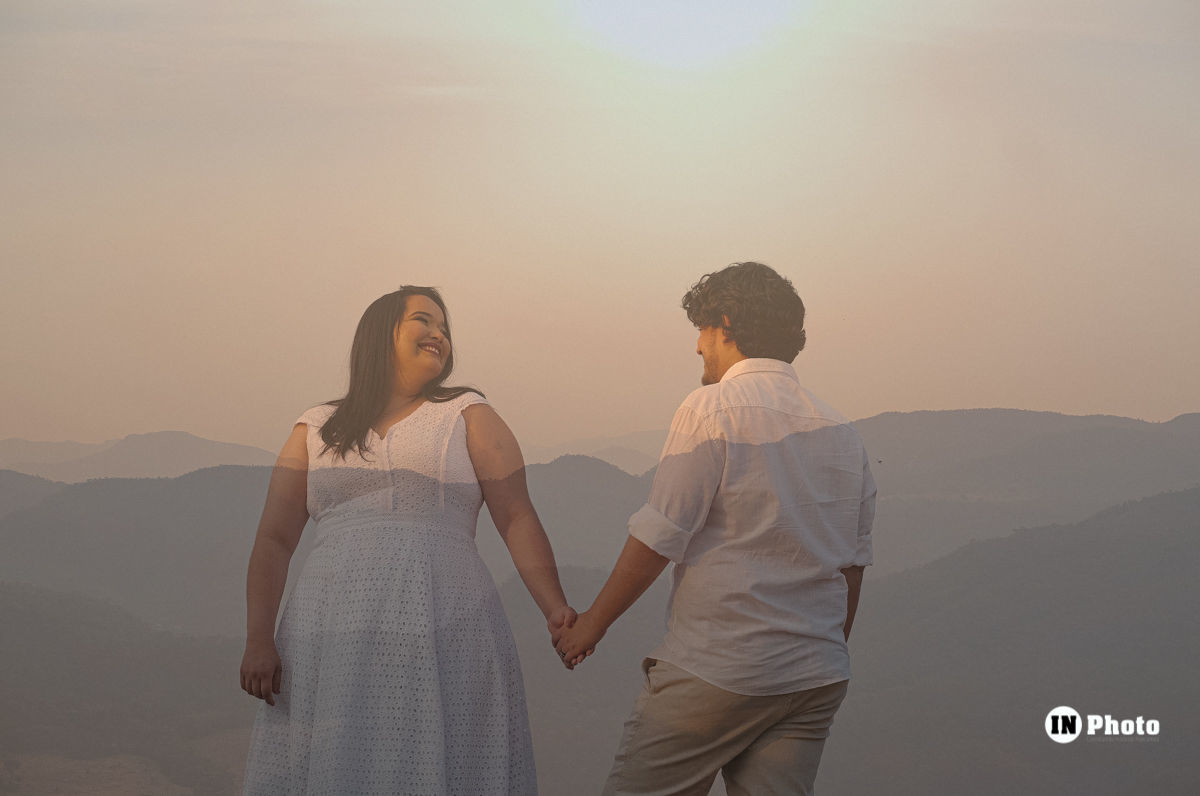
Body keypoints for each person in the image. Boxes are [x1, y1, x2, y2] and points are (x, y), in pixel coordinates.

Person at [555, 262, 876, 796]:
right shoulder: (842, 431)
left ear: (725, 324)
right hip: (813, 678)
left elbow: (661, 531)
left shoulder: (711, 408)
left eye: (702, 331)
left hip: (719, 668)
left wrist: (590, 625)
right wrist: (817, 649)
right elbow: (851, 564)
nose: (698, 347)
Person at [240, 286, 574, 794]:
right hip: (329, 633)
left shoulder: (467, 413)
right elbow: (273, 541)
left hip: (445, 623)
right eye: (424, 320)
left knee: (447, 759)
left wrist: (555, 609)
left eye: (444, 327)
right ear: (381, 333)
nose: (439, 333)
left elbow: (517, 516)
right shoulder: (315, 427)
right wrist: (259, 640)